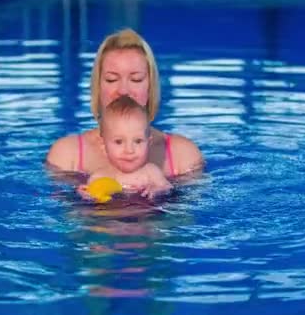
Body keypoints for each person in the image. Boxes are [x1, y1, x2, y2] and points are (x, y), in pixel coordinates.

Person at [46, 28, 203, 180]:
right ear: (98, 87)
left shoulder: (183, 156)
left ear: (150, 87)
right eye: (111, 79)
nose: (123, 90)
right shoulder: (67, 156)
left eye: (136, 79)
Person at [82, 95, 172, 199]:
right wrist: (87, 195)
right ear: (103, 145)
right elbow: (90, 201)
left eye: (138, 141)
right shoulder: (100, 176)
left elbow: (168, 188)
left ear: (148, 143)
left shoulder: (151, 172)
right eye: (119, 142)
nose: (129, 150)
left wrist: (158, 189)